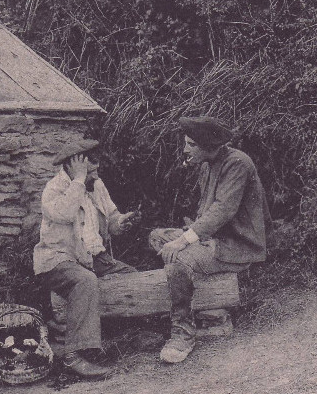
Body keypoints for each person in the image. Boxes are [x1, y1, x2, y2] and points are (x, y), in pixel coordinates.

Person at [149, 116, 268, 364]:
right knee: (157, 237)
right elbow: (206, 213)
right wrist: (187, 233)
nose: (185, 150)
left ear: (207, 145)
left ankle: (183, 333)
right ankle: (212, 310)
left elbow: (223, 210)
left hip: (237, 244)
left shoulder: (237, 164)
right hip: (214, 238)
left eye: (191, 144)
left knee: (178, 260)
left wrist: (184, 241)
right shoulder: (208, 165)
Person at [33, 139, 139, 379]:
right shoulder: (54, 190)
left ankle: (128, 336)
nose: (96, 175)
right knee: (85, 281)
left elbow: (111, 218)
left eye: (96, 170)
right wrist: (79, 180)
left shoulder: (96, 186)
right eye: (90, 171)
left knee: (132, 277)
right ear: (72, 167)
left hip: (93, 257)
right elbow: (65, 213)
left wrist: (120, 223)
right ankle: (73, 356)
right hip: (58, 260)